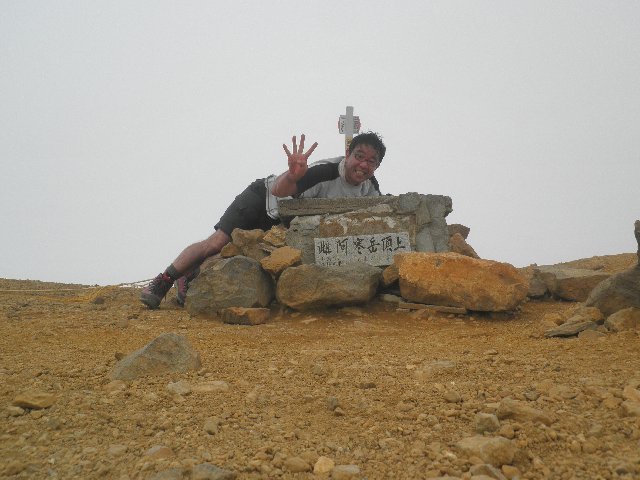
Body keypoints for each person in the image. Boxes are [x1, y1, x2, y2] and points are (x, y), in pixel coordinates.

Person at [140, 131, 386, 309]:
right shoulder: (326, 171)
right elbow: (280, 191)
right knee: (216, 243)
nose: (363, 164)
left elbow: (379, 216)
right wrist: (292, 175)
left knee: (232, 253)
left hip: (280, 222)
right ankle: (163, 281)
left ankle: (189, 276)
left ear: (377, 166)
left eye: (371, 161)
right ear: (347, 154)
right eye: (359, 156)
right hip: (261, 198)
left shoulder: (370, 189)